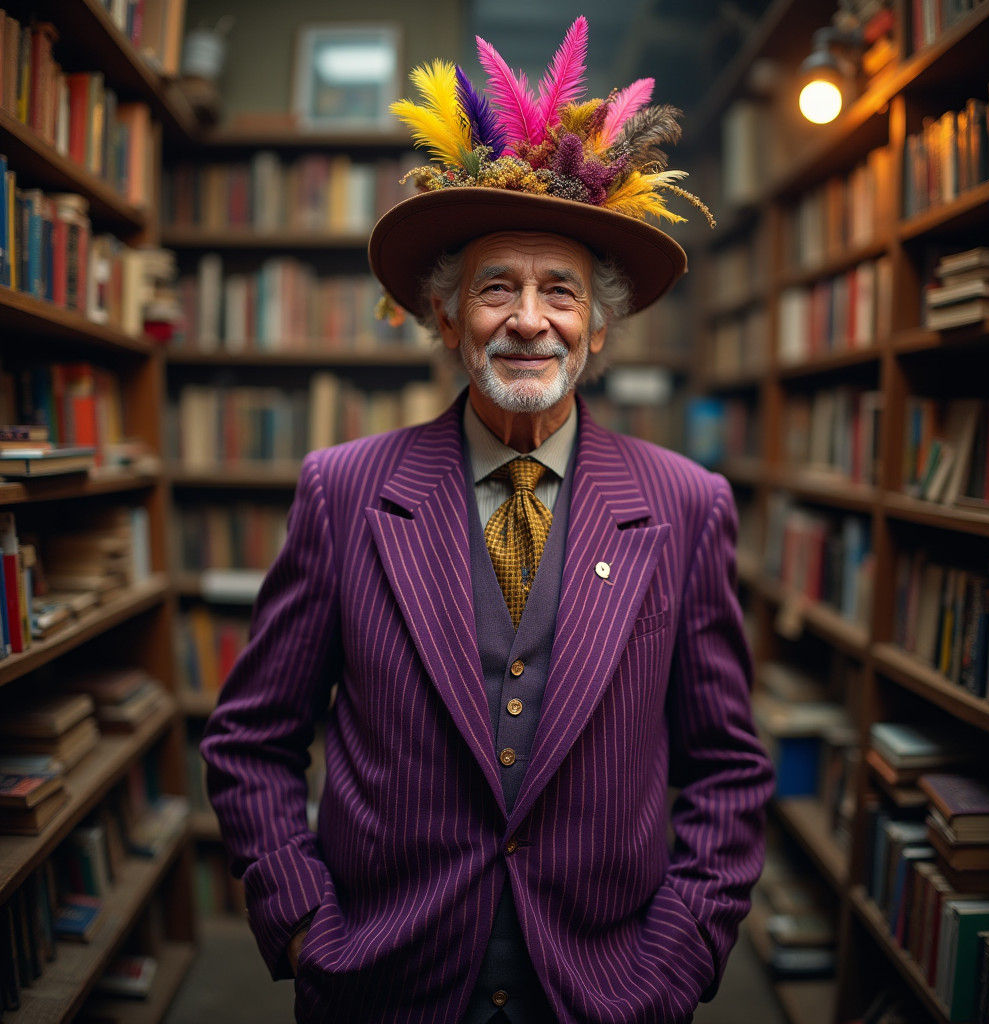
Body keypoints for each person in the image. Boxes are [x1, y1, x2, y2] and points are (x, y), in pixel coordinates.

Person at [202, 18, 774, 1024]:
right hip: (384, 985)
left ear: (598, 327)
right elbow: (251, 741)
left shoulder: (687, 506)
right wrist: (303, 926)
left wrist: (676, 968)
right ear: (444, 315)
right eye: (495, 288)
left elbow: (726, 772)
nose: (528, 319)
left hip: (602, 992)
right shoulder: (342, 491)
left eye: (561, 292)